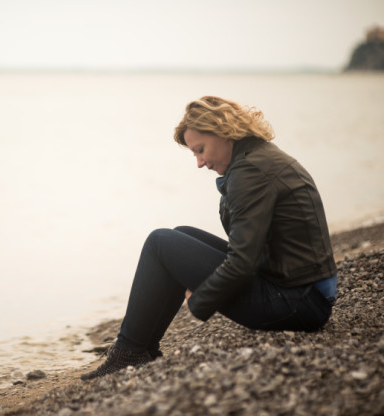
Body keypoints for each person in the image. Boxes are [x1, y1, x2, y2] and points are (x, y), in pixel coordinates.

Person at [81, 96, 338, 381]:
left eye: (200, 150)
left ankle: (128, 352)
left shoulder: (250, 171)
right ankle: (143, 348)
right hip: (301, 292)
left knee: (159, 242)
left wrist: (199, 300)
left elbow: (242, 262)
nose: (200, 163)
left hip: (297, 303)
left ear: (223, 132)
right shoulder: (256, 157)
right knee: (180, 234)